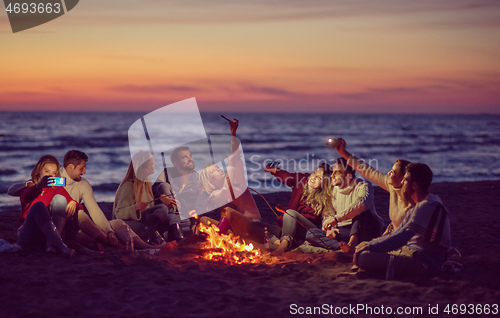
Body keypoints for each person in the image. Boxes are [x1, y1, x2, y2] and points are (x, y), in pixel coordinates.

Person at [354, 163, 451, 278]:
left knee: (364, 257)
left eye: (405, 180)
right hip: (412, 252)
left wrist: (370, 247)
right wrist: (369, 244)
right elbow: (397, 233)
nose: (402, 183)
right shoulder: (420, 205)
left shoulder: (426, 206)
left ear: (414, 185)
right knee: (364, 249)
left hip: (423, 262)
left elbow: (401, 237)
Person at [61, 150, 158, 250]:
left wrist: (109, 231)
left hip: (80, 229)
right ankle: (119, 246)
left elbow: (95, 211)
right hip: (61, 229)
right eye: (82, 168)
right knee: (80, 214)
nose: (84, 172)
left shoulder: (83, 184)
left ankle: (144, 247)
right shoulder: (54, 178)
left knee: (117, 223)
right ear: (70, 167)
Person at [196, 118, 263, 244]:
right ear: (209, 179)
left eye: (217, 167)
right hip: (235, 229)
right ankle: (205, 241)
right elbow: (225, 192)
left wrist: (233, 135)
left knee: (228, 211)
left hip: (252, 226)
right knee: (204, 220)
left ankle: (213, 243)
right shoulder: (214, 195)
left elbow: (236, 156)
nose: (219, 169)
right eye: (214, 170)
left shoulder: (234, 178)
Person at [329, 138, 412, 234]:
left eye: (393, 172)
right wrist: (343, 152)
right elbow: (367, 170)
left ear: (402, 178)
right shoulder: (392, 186)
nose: (388, 173)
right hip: (393, 237)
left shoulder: (414, 200)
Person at [306, 158, 383, 252]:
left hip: (365, 229)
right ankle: (341, 247)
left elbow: (362, 203)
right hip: (344, 230)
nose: (332, 175)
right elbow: (328, 213)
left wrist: (336, 219)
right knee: (311, 234)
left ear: (348, 176)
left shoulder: (363, 185)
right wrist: (330, 229)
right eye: (333, 171)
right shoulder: (332, 190)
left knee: (361, 211)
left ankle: (352, 243)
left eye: (337, 173)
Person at [113, 150, 183, 245]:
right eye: (152, 163)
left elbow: (151, 203)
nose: (155, 164)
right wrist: (135, 208)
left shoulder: (146, 181)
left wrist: (162, 198)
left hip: (149, 222)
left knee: (172, 217)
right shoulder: (128, 186)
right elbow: (118, 213)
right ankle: (147, 235)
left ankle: (178, 241)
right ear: (143, 169)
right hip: (133, 223)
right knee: (162, 208)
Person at [266, 162, 333, 255]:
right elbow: (287, 177)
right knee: (260, 227)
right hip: (291, 228)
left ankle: (283, 245)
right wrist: (274, 170)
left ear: (324, 183)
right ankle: (286, 242)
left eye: (319, 177)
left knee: (290, 213)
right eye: (314, 173)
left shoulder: (326, 195)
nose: (314, 177)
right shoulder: (302, 179)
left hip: (308, 231)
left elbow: (328, 216)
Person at [16, 155, 75, 257]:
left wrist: (73, 202)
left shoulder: (55, 188)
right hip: (28, 235)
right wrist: (38, 186)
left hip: (45, 236)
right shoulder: (29, 186)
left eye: (53, 173)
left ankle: (51, 245)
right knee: (39, 206)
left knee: (61, 199)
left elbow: (71, 202)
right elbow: (26, 197)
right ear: (39, 171)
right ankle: (60, 247)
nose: (50, 175)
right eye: (47, 171)